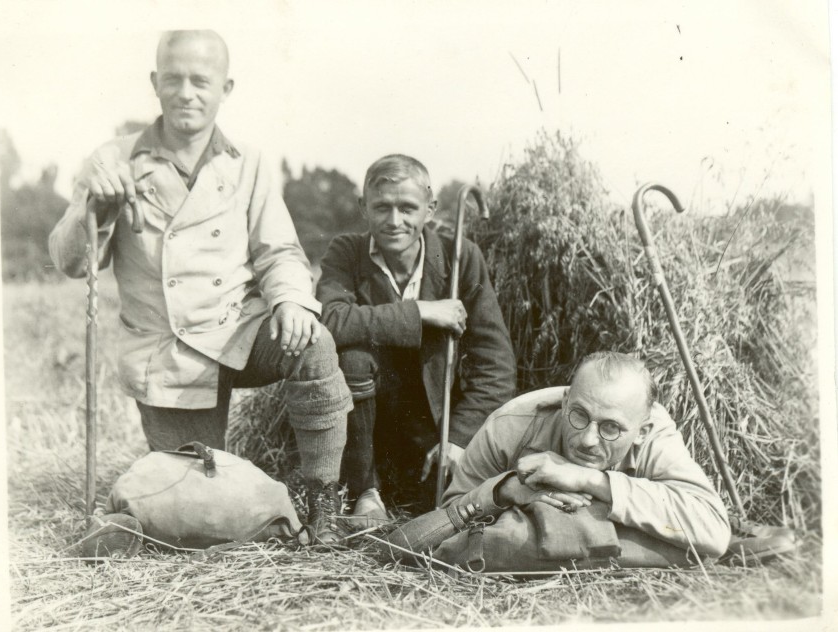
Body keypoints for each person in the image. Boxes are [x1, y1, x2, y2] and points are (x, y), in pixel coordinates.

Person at [49, 30, 352, 545]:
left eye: (200, 81)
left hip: (239, 330)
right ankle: (154, 518)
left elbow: (278, 249)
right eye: (173, 79)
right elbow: (70, 261)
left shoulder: (249, 161)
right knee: (196, 508)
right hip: (166, 352)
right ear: (155, 83)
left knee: (315, 344)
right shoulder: (114, 159)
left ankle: (322, 502)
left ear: (225, 88)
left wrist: (293, 301)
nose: (186, 92)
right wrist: (89, 207)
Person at [316, 154, 516, 519]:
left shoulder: (461, 258)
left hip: (435, 430)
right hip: (365, 435)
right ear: (363, 208)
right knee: (353, 359)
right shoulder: (347, 252)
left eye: (407, 208)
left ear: (430, 209)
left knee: (440, 509)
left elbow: (496, 363)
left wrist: (458, 439)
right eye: (382, 208)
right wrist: (422, 312)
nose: (394, 221)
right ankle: (365, 492)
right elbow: (330, 319)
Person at [437, 351, 731, 559]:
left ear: (641, 431)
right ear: (565, 402)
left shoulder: (654, 436)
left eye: (610, 428)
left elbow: (713, 531)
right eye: (579, 416)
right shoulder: (510, 427)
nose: (588, 440)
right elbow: (441, 523)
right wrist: (506, 490)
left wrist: (590, 480)